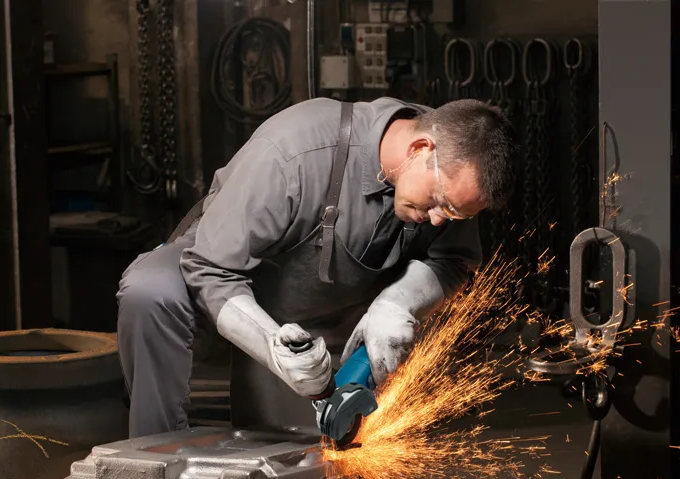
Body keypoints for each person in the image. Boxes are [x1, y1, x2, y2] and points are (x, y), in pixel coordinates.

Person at [116, 96, 518, 438]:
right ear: (419, 150)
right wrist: (271, 346)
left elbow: (453, 262)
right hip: (223, 265)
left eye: (453, 214)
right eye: (437, 203)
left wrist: (399, 303)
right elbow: (210, 268)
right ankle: (154, 460)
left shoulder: (457, 165)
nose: (437, 220)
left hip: (324, 316)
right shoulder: (293, 152)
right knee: (151, 290)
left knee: (306, 460)